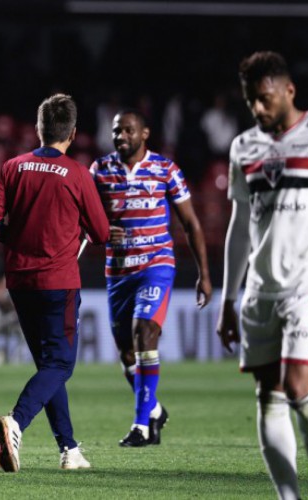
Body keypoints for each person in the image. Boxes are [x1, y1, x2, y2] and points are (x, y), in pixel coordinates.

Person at [216, 51, 308, 500]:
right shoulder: (244, 147)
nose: (259, 110)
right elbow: (239, 226)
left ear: (288, 91)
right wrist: (229, 298)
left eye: (265, 100)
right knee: (268, 394)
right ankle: (289, 496)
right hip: (262, 287)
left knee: (300, 383)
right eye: (250, 103)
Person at [0, 93, 110, 472]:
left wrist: (19, 235)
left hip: (19, 281)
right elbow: (100, 232)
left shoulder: (13, 167)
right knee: (61, 365)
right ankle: (16, 422)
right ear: (71, 133)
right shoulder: (78, 173)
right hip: (58, 282)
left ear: (39, 129)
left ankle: (69, 450)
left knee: (48, 366)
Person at [91, 109, 212, 447]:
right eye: (117, 131)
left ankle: (141, 425)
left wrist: (204, 273)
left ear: (145, 133)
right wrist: (101, 232)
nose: (121, 137)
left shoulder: (165, 169)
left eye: (128, 130)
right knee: (127, 354)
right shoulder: (100, 170)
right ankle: (154, 410)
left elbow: (191, 224)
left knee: (145, 332)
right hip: (118, 272)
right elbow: (84, 218)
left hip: (156, 265)